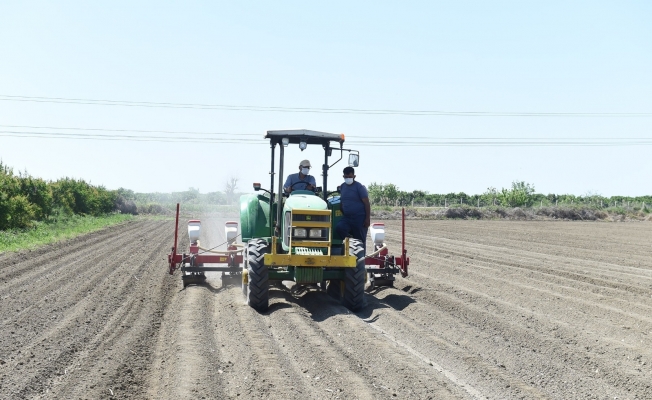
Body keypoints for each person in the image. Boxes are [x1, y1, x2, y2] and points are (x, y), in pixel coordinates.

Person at [336, 166, 370, 248]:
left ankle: (360, 259)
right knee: (339, 228)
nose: (348, 178)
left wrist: (367, 219)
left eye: (350, 177)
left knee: (360, 241)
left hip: (359, 217)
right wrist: (342, 208)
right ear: (343, 176)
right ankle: (350, 240)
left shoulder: (359, 187)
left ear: (354, 176)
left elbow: (366, 203)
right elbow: (343, 200)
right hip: (347, 217)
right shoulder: (343, 187)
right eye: (346, 177)